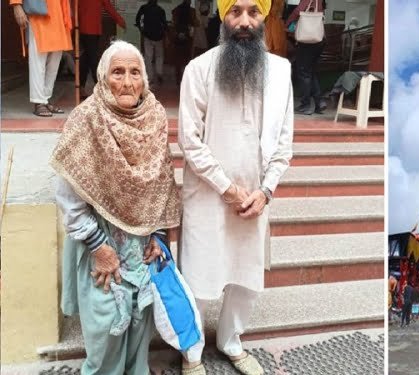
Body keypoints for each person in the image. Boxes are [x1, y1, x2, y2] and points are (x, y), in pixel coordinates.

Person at [52, 40, 181, 374]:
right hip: (100, 240)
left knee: (140, 326)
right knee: (106, 330)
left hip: (141, 245)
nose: (127, 82)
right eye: (118, 72)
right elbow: (67, 193)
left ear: (145, 79)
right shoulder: (86, 119)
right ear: (102, 77)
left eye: (135, 72)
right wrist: (98, 247)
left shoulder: (154, 117)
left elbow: (162, 181)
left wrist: (159, 233)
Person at [177, 0, 292, 373]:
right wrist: (227, 188)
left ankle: (231, 341)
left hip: (255, 197)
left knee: (245, 274)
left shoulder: (281, 72)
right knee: (198, 274)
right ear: (222, 17)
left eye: (253, 12)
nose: (244, 22)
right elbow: (189, 139)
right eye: (235, 12)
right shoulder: (199, 68)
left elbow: (284, 143)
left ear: (265, 18)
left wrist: (266, 191)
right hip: (209, 194)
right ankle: (191, 351)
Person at [10, 0, 72, 116]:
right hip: (38, 13)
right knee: (38, 60)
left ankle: (45, 99)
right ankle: (38, 102)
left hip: (59, 15)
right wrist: (16, 5)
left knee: (54, 61)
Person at [78, 0, 127, 97]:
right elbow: (109, 8)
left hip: (82, 28)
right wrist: (121, 21)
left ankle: (81, 88)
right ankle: (100, 87)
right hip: (92, 29)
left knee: (86, 58)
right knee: (93, 59)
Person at [286, 0, 326, 115]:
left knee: (303, 72)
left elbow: (298, 11)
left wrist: (287, 24)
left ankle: (306, 105)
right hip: (319, 39)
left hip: (307, 40)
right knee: (310, 72)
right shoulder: (320, 2)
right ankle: (319, 102)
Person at [136, 0, 168, 85]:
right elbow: (164, 24)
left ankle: (150, 77)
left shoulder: (144, 8)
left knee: (148, 57)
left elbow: (137, 19)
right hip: (159, 36)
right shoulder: (160, 10)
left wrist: (141, 30)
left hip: (148, 35)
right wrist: (165, 34)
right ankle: (159, 73)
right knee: (159, 56)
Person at [172, 0, 200, 84]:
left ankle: (178, 77)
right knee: (187, 57)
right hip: (188, 35)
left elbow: (174, 22)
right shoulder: (192, 11)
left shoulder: (176, 10)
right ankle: (186, 77)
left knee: (178, 57)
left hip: (178, 35)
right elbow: (196, 23)